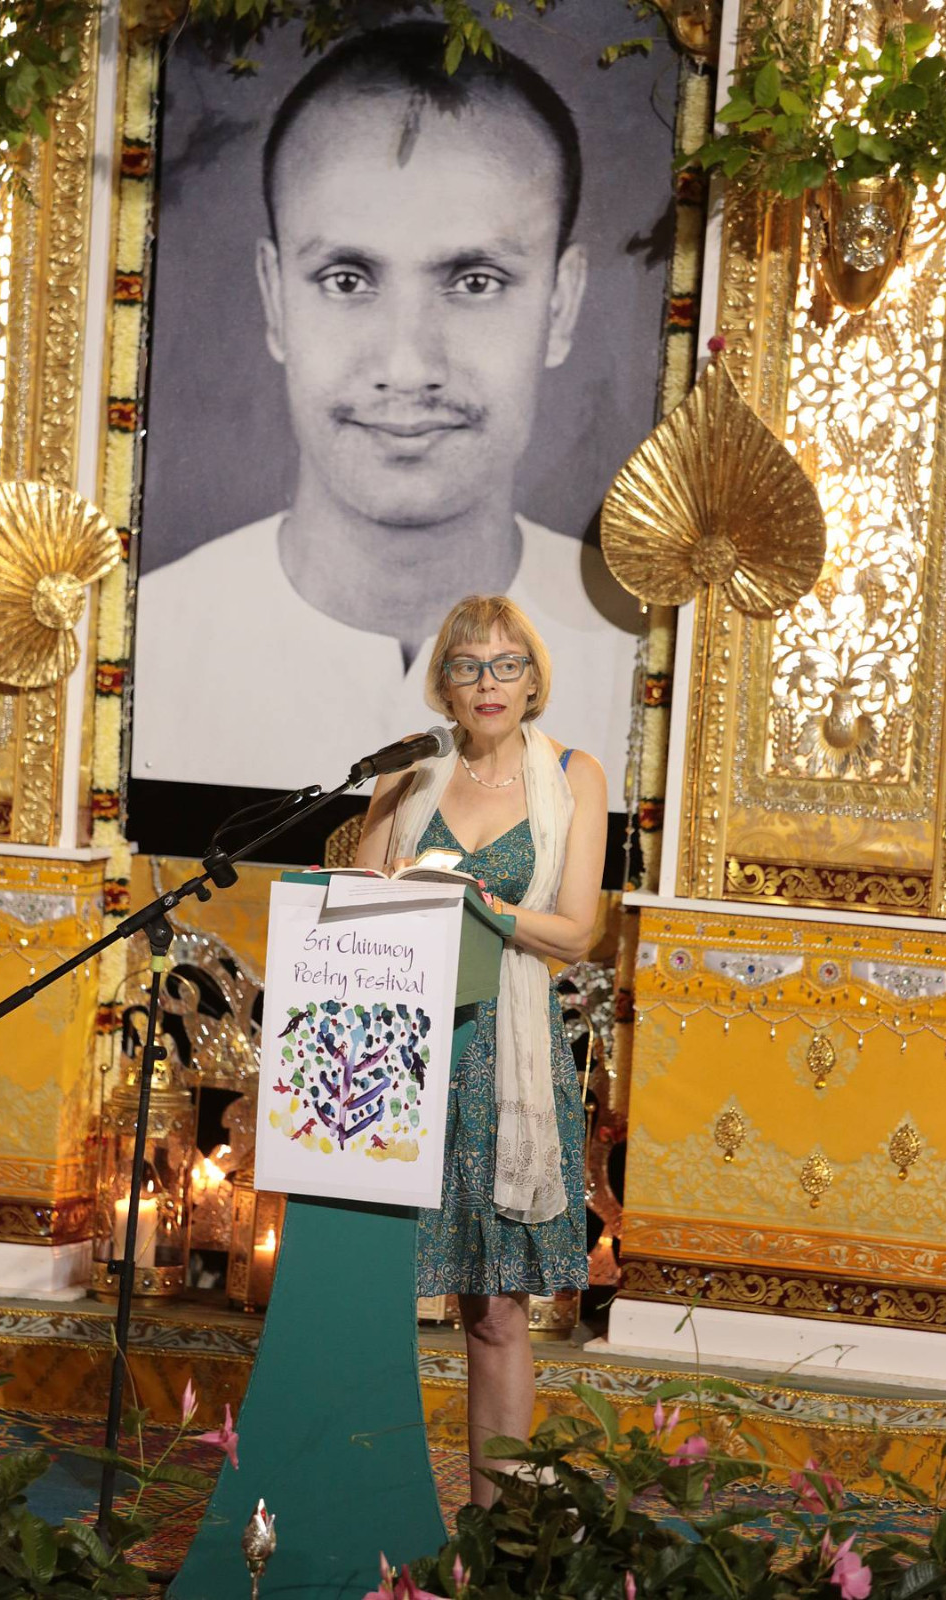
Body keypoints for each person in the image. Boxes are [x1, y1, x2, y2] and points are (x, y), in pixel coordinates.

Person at [131, 21, 639, 792]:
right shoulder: (144, 649)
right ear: (275, 298)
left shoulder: (642, 671)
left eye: (474, 281)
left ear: (560, 305)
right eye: (346, 279)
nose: (407, 366)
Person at [354, 593, 607, 1507]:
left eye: (506, 664)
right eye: (467, 666)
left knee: (495, 1314)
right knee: (367, 1302)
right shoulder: (407, 776)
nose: (487, 682)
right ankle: (367, 1512)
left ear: (533, 680)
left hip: (506, 1061)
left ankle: (494, 1532)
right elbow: (357, 904)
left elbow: (576, 932)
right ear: (444, 686)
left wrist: (481, 907)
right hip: (400, 1058)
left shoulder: (573, 775)